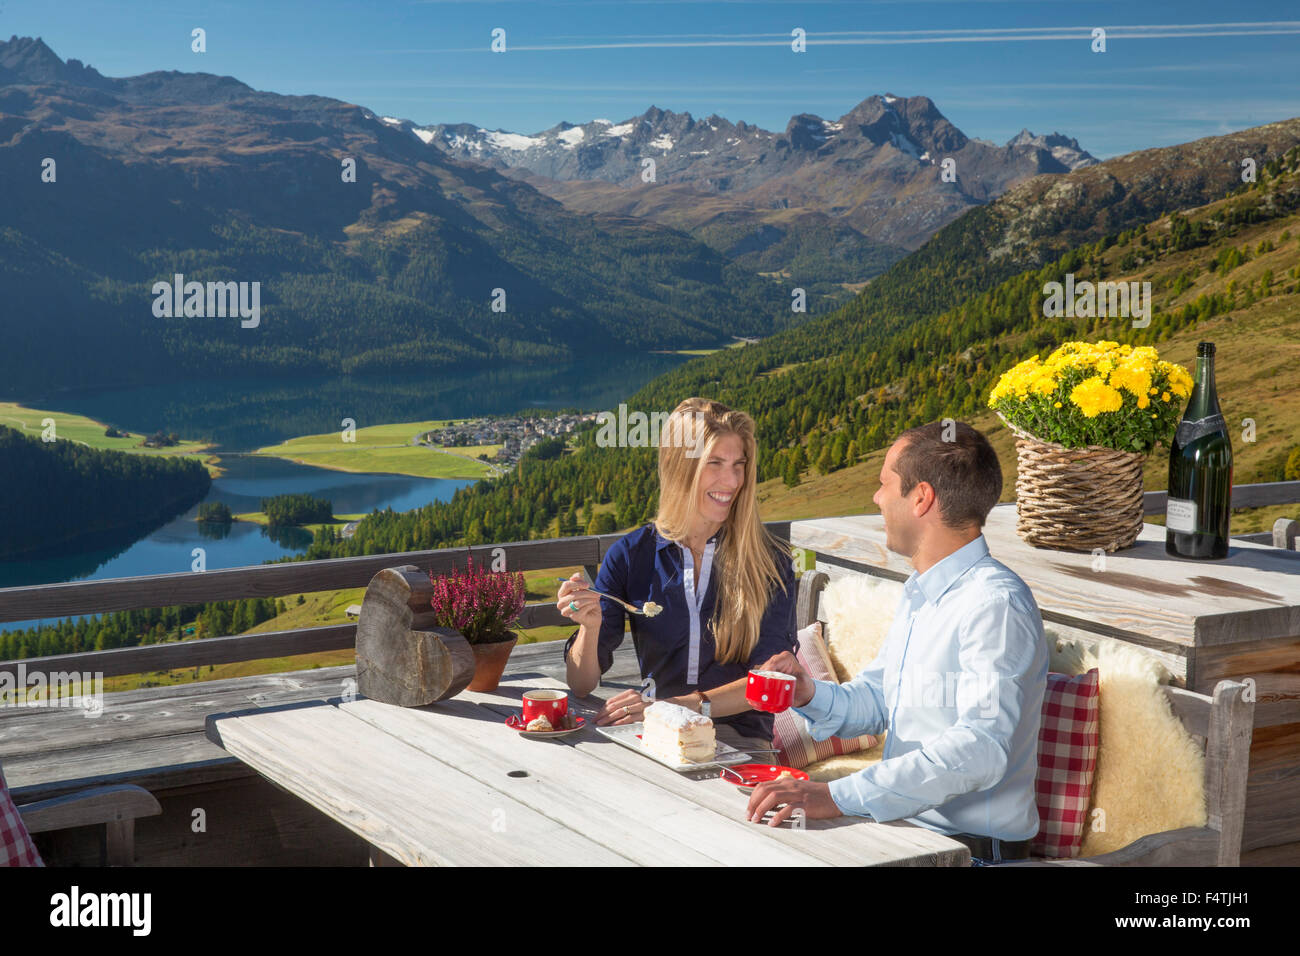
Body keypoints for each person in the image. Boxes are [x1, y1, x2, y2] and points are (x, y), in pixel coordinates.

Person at [746, 421, 1048, 866]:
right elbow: (877, 700)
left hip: (970, 856)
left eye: (885, 483)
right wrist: (809, 693)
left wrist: (836, 795)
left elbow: (981, 749)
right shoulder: (922, 590)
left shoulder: (994, 605)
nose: (877, 497)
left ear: (921, 497)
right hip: (905, 836)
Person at [558, 397, 797, 753]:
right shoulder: (631, 554)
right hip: (657, 736)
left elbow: (767, 684)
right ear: (679, 467)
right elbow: (581, 684)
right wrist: (588, 630)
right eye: (714, 463)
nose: (731, 481)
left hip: (739, 743)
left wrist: (671, 706)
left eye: (738, 465)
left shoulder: (769, 561)